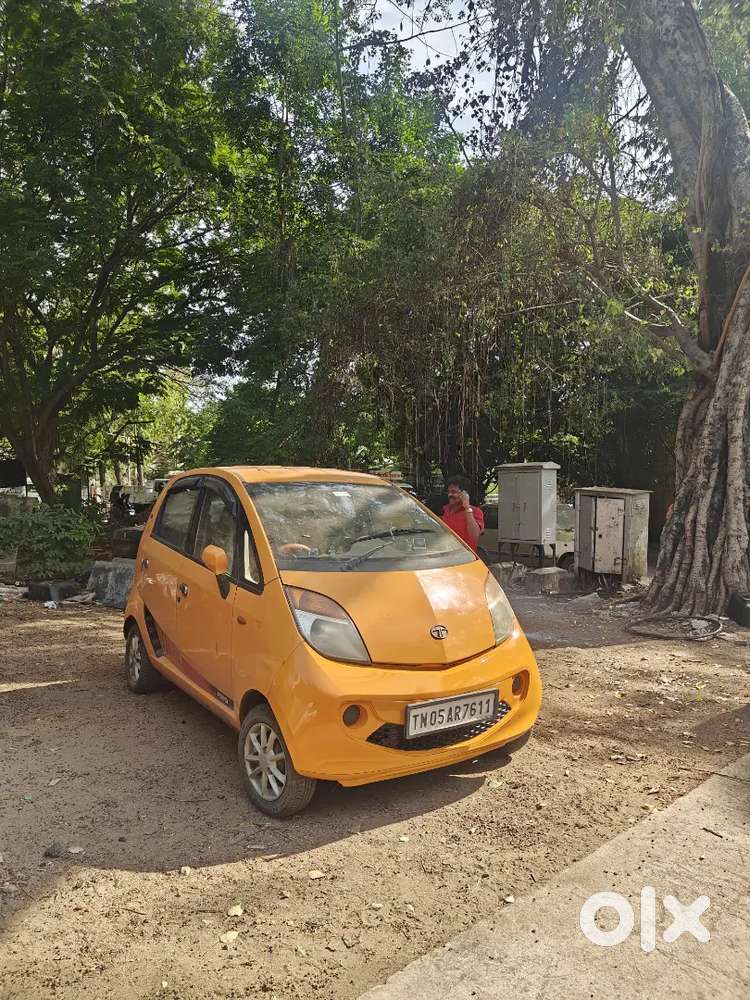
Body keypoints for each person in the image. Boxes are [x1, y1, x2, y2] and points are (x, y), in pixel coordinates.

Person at [442, 476, 484, 551]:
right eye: (448, 492)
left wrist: (467, 508)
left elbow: (474, 535)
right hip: (446, 554)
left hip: (465, 556)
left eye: (453, 492)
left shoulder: (475, 512)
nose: (449, 495)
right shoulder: (445, 510)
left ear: (464, 494)